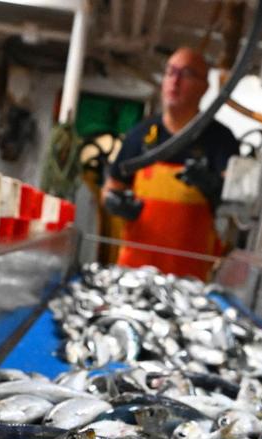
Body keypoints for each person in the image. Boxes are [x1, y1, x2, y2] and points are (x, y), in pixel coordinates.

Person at [102, 47, 239, 279]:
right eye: (170, 72)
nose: (175, 81)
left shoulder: (220, 140)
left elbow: (236, 209)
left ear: (205, 87)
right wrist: (114, 202)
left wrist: (212, 185)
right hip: (134, 273)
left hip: (190, 277)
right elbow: (112, 186)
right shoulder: (140, 135)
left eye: (186, 74)